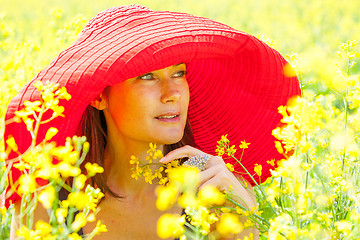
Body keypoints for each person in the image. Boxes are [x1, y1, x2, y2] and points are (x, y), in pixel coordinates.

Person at [4, 4, 301, 239]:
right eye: (147, 77)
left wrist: (244, 213)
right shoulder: (47, 202)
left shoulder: (216, 190)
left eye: (179, 73)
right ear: (99, 96)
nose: (173, 93)